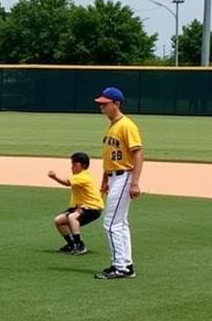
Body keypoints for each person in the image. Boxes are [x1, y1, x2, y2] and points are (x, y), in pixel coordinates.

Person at [93, 86, 144, 280]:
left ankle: (119, 267)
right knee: (120, 223)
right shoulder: (112, 126)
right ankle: (126, 264)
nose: (102, 107)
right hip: (115, 177)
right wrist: (105, 179)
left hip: (124, 176)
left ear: (117, 104)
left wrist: (135, 182)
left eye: (105, 104)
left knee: (111, 223)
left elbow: (138, 154)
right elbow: (109, 157)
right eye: (101, 104)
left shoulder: (126, 125)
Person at [47, 151, 103, 255]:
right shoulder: (78, 176)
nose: (72, 167)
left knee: (72, 218)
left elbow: (67, 183)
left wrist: (54, 177)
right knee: (58, 221)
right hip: (81, 207)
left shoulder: (83, 176)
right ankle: (71, 244)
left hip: (93, 208)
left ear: (84, 165)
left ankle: (80, 245)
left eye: (75, 165)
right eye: (72, 164)